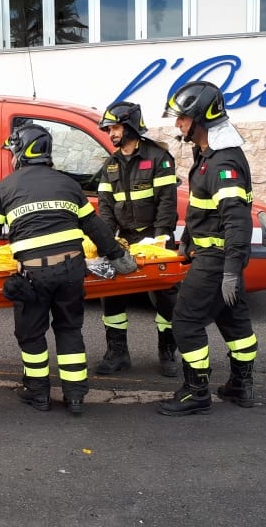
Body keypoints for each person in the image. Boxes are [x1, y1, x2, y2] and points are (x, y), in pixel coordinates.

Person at [0, 123, 138, 415]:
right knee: (69, 329)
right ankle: (75, 397)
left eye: (12, 151)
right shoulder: (68, 184)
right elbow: (95, 227)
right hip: (71, 271)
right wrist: (121, 259)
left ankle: (38, 395)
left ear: (21, 151)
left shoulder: (7, 187)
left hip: (33, 275)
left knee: (32, 334)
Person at [157, 81, 259, 416]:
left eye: (183, 118)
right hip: (218, 259)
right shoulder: (210, 155)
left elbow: (237, 220)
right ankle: (241, 385)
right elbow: (205, 210)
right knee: (233, 322)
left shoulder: (221, 163)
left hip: (217, 262)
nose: (178, 124)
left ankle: (196, 392)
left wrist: (230, 271)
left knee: (185, 323)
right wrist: (187, 242)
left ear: (201, 117)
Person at [94, 101, 180, 378]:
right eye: (109, 129)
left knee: (165, 298)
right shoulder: (110, 165)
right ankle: (117, 353)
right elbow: (105, 207)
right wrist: (108, 242)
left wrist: (161, 238)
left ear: (131, 125)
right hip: (125, 240)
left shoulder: (158, 158)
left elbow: (167, 202)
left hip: (154, 238)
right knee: (111, 295)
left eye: (115, 127)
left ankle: (167, 352)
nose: (111, 133)